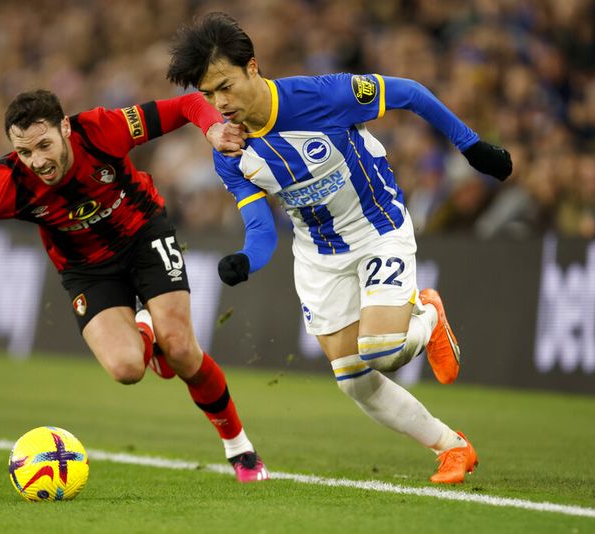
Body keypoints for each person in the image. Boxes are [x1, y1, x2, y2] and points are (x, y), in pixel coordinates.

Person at [167, 12, 513, 484]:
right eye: (207, 95)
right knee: (354, 380)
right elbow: (263, 229)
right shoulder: (230, 149)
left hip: (378, 230)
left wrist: (471, 146)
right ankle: (451, 447)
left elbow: (410, 93)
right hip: (317, 256)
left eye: (224, 86)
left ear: (252, 67)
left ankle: (428, 313)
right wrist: (246, 259)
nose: (219, 104)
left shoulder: (320, 95)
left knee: (383, 350)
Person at [0, 88, 269, 483]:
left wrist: (214, 129)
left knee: (183, 352)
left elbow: (185, 105)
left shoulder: (101, 130)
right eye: (26, 152)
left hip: (143, 236)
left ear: (65, 127)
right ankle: (147, 330)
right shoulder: (7, 184)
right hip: (86, 269)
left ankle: (239, 448)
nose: (39, 161)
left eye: (45, 145)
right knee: (126, 368)